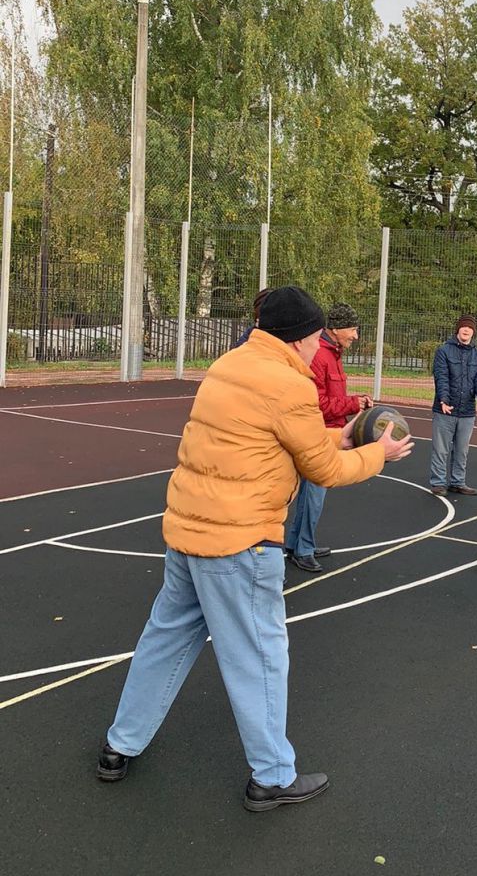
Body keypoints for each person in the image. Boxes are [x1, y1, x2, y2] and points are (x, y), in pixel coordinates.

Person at [96, 286, 413, 812]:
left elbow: (284, 436)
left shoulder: (231, 364)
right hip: (240, 542)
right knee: (260, 659)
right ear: (303, 338)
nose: (319, 348)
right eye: (316, 339)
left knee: (163, 642)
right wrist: (377, 453)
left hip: (190, 532)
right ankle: (272, 776)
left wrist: (346, 435)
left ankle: (118, 746)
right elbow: (323, 470)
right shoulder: (289, 383)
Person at [284, 301, 373, 572]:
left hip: (329, 431)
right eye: (353, 330)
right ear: (336, 329)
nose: (356, 336)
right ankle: (303, 549)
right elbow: (318, 403)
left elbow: (329, 397)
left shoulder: (332, 353)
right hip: (319, 433)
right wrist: (352, 404)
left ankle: (297, 544)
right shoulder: (320, 355)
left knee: (312, 493)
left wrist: (352, 402)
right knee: (314, 494)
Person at [430, 314, 477, 497]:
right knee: (441, 448)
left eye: (469, 327)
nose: (466, 330)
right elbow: (441, 377)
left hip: (467, 412)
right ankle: (438, 483)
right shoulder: (444, 351)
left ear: (473, 331)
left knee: (462, 450)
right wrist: (443, 400)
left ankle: (458, 482)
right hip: (445, 409)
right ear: (458, 329)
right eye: (463, 327)